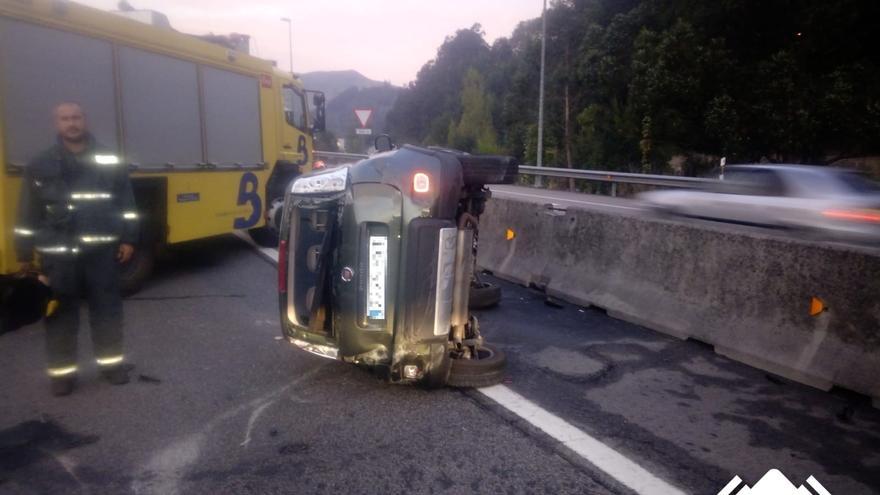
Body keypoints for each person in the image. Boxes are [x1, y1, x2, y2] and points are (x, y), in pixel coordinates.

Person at [14, 102, 138, 396]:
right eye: (65, 118)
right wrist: (23, 253)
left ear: (85, 120)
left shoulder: (109, 158)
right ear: (56, 124)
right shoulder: (40, 163)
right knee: (59, 315)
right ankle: (62, 375)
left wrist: (129, 238)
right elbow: (27, 212)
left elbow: (126, 203)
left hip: (101, 253)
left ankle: (111, 367)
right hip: (59, 255)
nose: (72, 123)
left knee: (107, 310)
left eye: (76, 117)